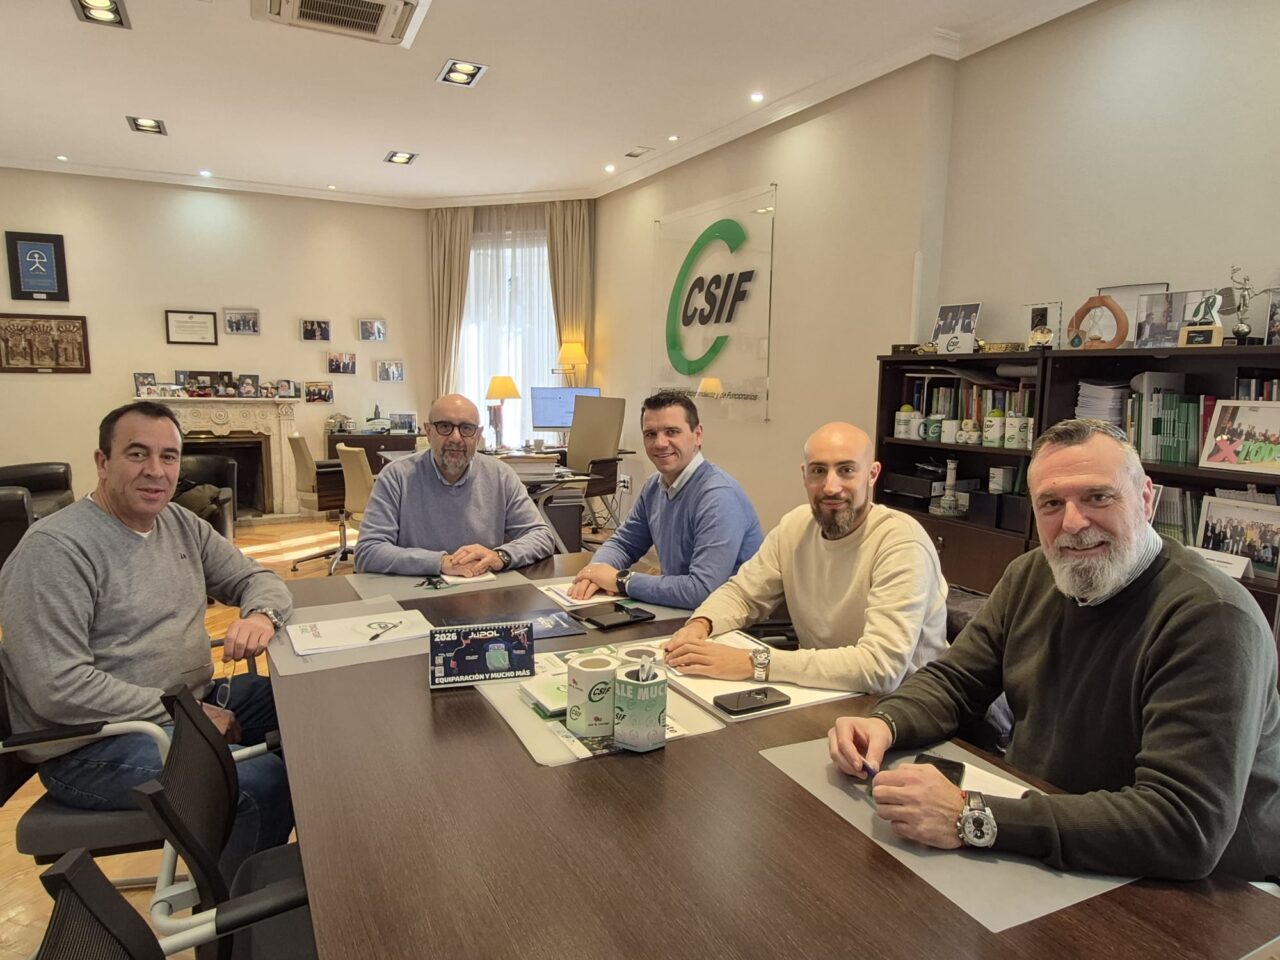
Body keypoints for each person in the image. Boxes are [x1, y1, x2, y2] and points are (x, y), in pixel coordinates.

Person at [828, 419, 1280, 881]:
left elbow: (1183, 825)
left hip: (1201, 893)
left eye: (1098, 497)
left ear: (1146, 498)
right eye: (1051, 503)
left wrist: (972, 816)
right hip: (1052, 840)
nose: (1073, 522)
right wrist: (886, 721)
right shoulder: (1032, 575)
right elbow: (955, 682)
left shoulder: (1213, 618)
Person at [0, 401, 295, 875]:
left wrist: (261, 615)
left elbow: (259, 579)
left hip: (190, 703)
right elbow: (57, 687)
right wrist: (184, 712)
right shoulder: (55, 552)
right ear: (103, 462)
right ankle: (237, 924)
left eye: (169, 456)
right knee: (261, 781)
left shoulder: (179, 524)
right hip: (95, 745)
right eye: (138, 454)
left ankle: (289, 871)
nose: (156, 471)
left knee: (309, 707)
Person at [664, 422, 947, 691]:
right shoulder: (794, 527)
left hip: (899, 706)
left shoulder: (901, 543)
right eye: (818, 471)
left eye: (846, 470)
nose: (831, 487)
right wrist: (701, 625)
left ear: (872, 474)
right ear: (804, 474)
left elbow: (881, 668)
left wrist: (754, 663)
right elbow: (743, 594)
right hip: (823, 692)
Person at [568, 392, 763, 609]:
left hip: (729, 623)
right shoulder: (654, 486)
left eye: (672, 432)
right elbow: (624, 544)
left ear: (698, 435)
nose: (660, 443)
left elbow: (702, 590)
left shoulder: (718, 496)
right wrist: (593, 572)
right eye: (650, 434)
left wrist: (621, 580)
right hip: (680, 611)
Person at [354, 393, 555, 576]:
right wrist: (439, 562)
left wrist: (500, 556)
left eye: (466, 428)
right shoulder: (396, 477)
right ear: (428, 431)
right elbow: (368, 550)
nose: (456, 438)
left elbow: (541, 536)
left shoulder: (500, 475)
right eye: (445, 427)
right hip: (414, 595)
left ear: (478, 435)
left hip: (481, 595)